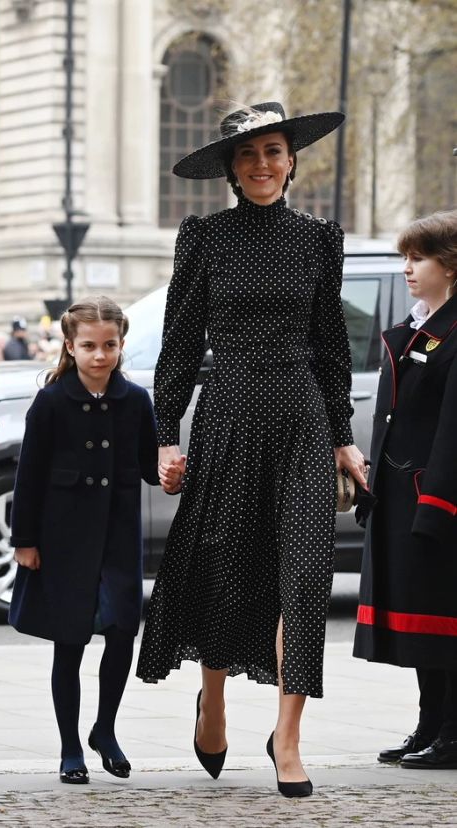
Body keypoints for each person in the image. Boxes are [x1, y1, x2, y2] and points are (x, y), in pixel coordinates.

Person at [134, 102, 367, 798]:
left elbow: (331, 350)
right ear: (230, 170)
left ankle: (288, 738)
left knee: (302, 578)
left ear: (292, 159)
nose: (261, 165)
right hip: (230, 415)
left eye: (272, 151)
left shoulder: (318, 240)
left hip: (300, 421)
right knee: (224, 569)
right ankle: (214, 702)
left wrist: (343, 441)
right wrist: (165, 437)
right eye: (247, 155)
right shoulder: (205, 240)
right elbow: (177, 347)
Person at [9, 296, 158, 784]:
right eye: (89, 346)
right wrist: (25, 541)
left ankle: (105, 730)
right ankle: (70, 746)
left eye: (110, 345)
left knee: (121, 634)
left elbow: (150, 465)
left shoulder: (135, 400)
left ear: (120, 344)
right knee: (69, 642)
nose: (100, 355)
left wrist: (172, 472)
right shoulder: (52, 401)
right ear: (70, 347)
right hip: (63, 539)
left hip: (118, 537)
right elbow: (28, 476)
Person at [353, 210, 457, 769]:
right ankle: (430, 724)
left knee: (446, 618)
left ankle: (454, 734)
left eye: (419, 258)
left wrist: (438, 504)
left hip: (437, 500)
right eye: (405, 258)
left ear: (453, 264)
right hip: (400, 495)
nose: (408, 269)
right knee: (423, 619)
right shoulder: (419, 329)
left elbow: (453, 433)